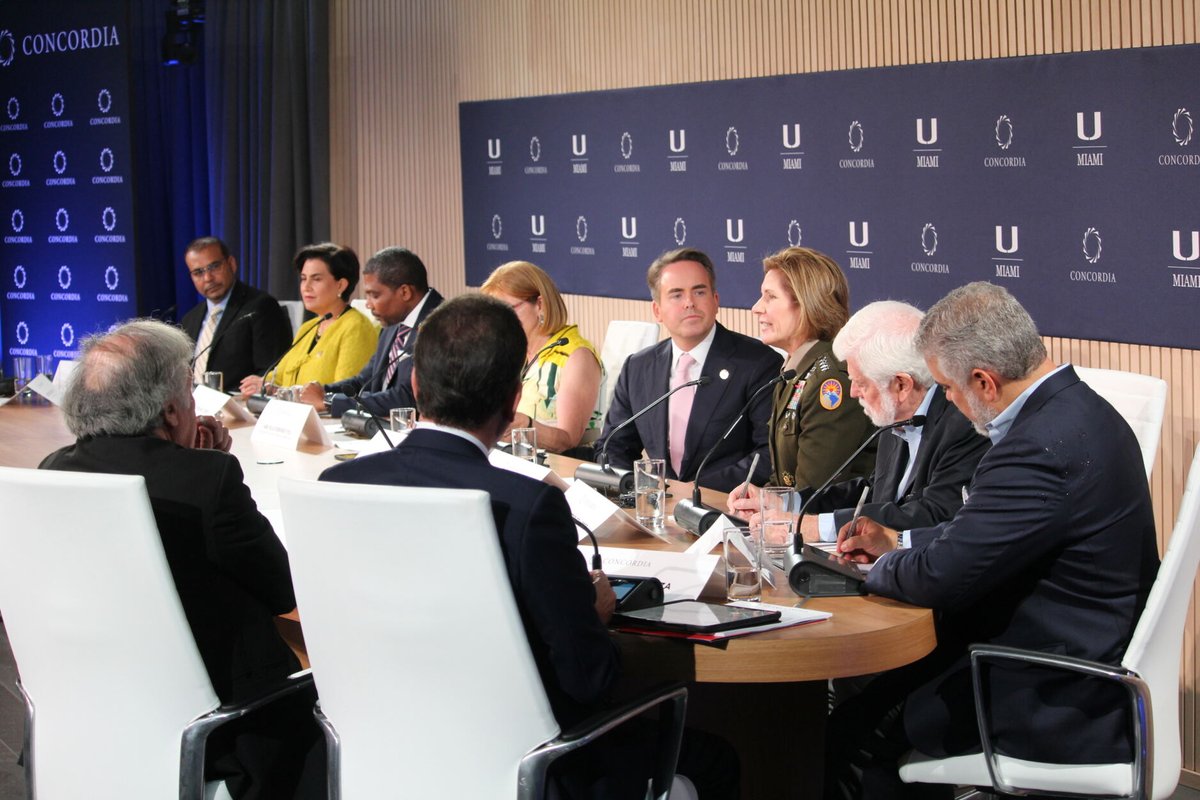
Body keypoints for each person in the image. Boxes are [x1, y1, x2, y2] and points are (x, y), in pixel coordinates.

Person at [319, 294, 737, 799]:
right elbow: (590, 679)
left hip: (379, 755)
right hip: (529, 768)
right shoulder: (528, 506)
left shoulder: (339, 482)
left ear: (413, 385)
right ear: (514, 399)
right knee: (717, 760)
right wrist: (593, 610)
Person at [824, 282, 1160, 800]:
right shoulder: (1084, 411)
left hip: (1051, 689)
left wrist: (873, 569)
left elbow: (941, 577)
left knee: (857, 732)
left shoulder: (1035, 449)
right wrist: (899, 542)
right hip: (1084, 655)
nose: (950, 404)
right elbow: (993, 529)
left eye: (950, 390)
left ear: (983, 381)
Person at [39, 319, 322, 800]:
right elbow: (283, 591)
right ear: (171, 411)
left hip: (86, 709)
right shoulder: (208, 481)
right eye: (190, 394)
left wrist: (190, 462)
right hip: (215, 726)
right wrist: (203, 468)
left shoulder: (54, 470)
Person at [736, 300, 989, 541]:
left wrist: (813, 527)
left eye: (861, 383)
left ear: (901, 385)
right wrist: (787, 502)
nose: (853, 393)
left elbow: (933, 514)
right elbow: (871, 492)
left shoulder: (965, 425)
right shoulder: (894, 413)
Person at [595, 248, 781, 492]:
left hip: (726, 509)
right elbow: (611, 447)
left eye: (699, 291)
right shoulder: (638, 368)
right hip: (657, 509)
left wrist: (692, 491)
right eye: (676, 295)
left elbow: (768, 456)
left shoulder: (758, 363)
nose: (689, 303)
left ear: (716, 301)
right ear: (657, 311)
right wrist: (635, 490)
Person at [728, 247, 875, 517]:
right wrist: (762, 497)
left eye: (770, 297)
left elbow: (817, 493)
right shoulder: (796, 369)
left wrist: (774, 507)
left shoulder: (832, 379)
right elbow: (786, 479)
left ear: (807, 304)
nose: (756, 308)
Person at [298, 246, 443, 418]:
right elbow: (365, 381)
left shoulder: (441, 324)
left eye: (374, 295)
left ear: (405, 292)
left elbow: (409, 396)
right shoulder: (394, 322)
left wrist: (330, 402)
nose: (368, 304)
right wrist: (321, 391)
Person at [481, 260, 603, 453]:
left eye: (508, 310)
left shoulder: (576, 356)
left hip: (560, 470)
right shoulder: (509, 350)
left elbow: (568, 440)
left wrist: (526, 425)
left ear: (540, 305)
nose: (499, 321)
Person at [239, 242, 378, 396]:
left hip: (326, 419)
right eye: (304, 279)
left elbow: (344, 392)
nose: (306, 287)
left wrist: (280, 391)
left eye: (316, 279)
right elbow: (280, 375)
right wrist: (262, 382)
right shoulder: (308, 327)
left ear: (341, 285)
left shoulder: (356, 327)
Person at [180, 236, 294, 388]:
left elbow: (270, 371)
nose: (208, 278)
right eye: (198, 272)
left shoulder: (260, 307)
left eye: (214, 266)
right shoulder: (189, 319)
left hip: (240, 406)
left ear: (231, 264)